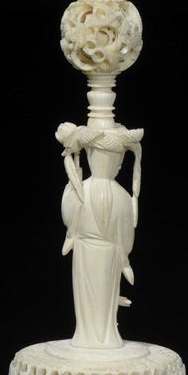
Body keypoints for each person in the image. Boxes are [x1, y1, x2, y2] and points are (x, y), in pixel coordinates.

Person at [55, 123, 143, 349]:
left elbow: (70, 217)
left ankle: (100, 337)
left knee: (99, 299)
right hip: (91, 250)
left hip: (100, 252)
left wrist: (123, 260)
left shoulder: (90, 191)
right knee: (92, 299)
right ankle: (89, 337)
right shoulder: (112, 194)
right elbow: (125, 237)